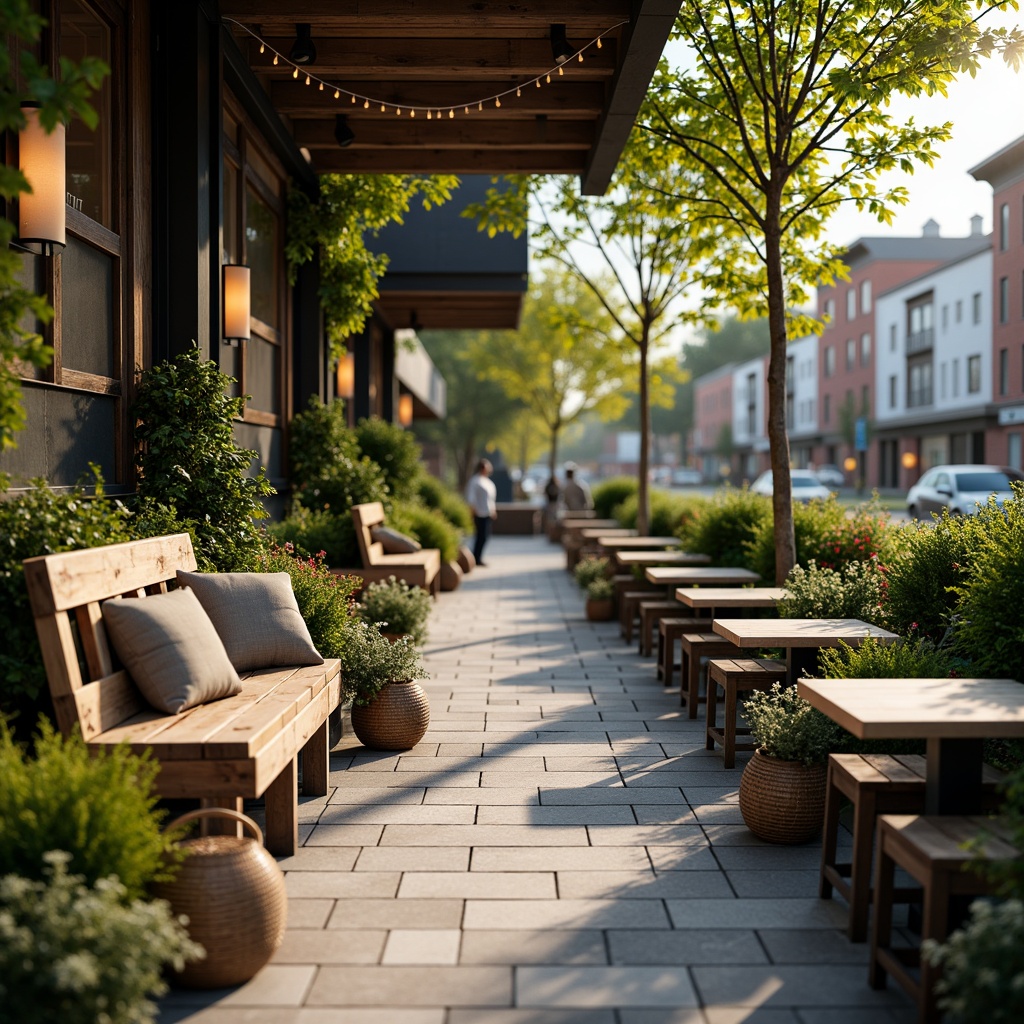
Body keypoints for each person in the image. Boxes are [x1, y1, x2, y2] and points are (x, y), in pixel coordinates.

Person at [465, 458, 497, 566]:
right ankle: (475, 558)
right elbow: (471, 498)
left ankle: (478, 557)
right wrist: (472, 512)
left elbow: (491, 499)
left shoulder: (487, 482)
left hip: (487, 513)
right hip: (479, 513)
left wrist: (493, 509)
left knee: (484, 537)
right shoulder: (475, 481)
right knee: (480, 537)